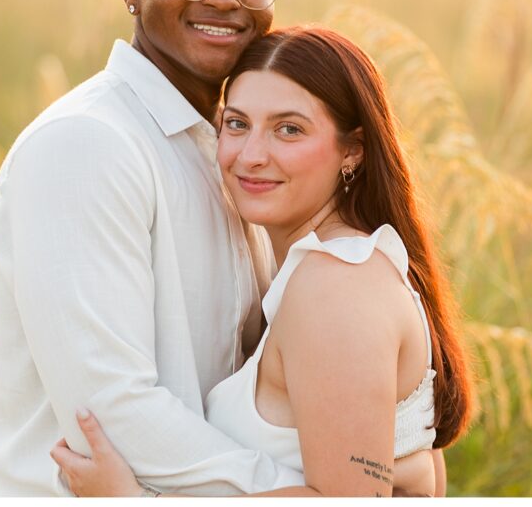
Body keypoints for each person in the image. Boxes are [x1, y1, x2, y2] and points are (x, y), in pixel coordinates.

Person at [0, 0, 434, 496]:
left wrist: (383, 469)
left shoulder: (235, 160)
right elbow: (109, 409)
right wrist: (324, 489)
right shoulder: (86, 145)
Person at [50, 26, 474, 497]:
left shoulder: (337, 285)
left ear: (351, 150)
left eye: (288, 129)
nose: (250, 155)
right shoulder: (337, 268)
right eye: (236, 124)